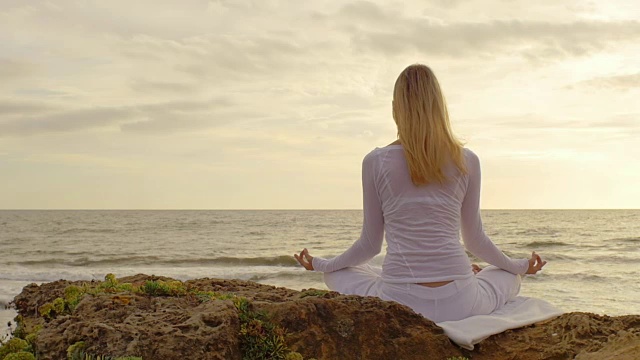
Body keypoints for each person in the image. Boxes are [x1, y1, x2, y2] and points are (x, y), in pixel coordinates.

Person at [293, 64, 546, 323]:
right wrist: (521, 267)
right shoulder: (467, 160)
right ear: (439, 107)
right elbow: (475, 241)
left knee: (336, 273)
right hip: (462, 302)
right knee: (506, 274)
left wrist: (321, 264)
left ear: (395, 109)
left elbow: (369, 246)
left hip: (400, 303)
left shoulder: (375, 161)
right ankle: (474, 275)